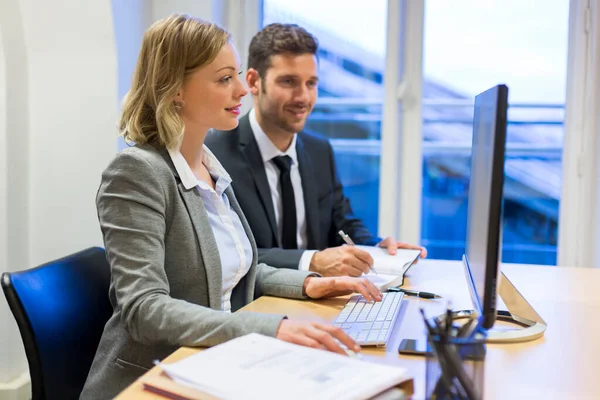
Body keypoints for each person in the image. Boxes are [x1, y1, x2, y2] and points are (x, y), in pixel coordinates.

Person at [80, 15, 383, 400]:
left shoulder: (206, 165)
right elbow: (144, 309)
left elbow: (236, 271)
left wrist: (309, 284)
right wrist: (271, 327)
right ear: (176, 89)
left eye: (237, 75)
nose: (242, 89)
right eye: (224, 79)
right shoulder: (137, 173)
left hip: (217, 363)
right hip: (154, 378)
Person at [205, 23, 427, 277]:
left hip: (319, 300)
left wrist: (376, 248)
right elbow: (230, 253)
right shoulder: (214, 155)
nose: (303, 97)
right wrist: (312, 261)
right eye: (289, 82)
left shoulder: (319, 150)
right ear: (254, 82)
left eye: (311, 83)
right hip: (252, 305)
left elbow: (342, 223)